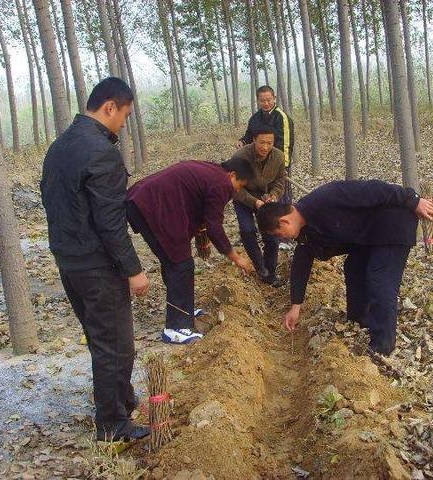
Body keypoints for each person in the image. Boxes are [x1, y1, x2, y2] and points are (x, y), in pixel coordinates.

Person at [41, 77, 151, 442]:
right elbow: (110, 222)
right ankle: (112, 424)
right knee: (116, 344)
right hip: (96, 264)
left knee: (102, 338)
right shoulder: (101, 151)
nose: (124, 122)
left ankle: (123, 399)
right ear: (109, 107)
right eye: (125, 114)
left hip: (69, 260)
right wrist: (134, 270)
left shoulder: (60, 146)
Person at [256, 180, 433, 356]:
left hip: (391, 224)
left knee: (379, 280)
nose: (282, 238)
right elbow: (302, 261)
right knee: (354, 267)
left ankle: (383, 346)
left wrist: (413, 200)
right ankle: (358, 321)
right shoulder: (305, 229)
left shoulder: (325, 198)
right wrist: (296, 306)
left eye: (279, 234)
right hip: (367, 237)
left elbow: (374, 189)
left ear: (284, 221)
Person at [126, 159, 254, 345]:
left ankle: (183, 309)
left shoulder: (213, 172)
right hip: (152, 207)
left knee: (176, 261)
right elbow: (214, 226)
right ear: (232, 174)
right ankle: (175, 327)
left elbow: (201, 211)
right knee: (180, 264)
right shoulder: (221, 183)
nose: (236, 191)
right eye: (239, 186)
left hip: (146, 201)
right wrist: (236, 257)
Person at [231, 125, 286, 287]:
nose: (265, 147)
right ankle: (260, 268)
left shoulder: (278, 156)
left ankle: (270, 273)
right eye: (262, 142)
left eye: (269, 143)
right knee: (248, 230)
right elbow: (234, 188)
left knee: (272, 235)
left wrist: (274, 195)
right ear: (254, 140)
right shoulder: (240, 157)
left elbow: (280, 180)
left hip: (265, 197)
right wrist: (254, 202)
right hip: (243, 197)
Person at [236, 85, 295, 204]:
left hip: (277, 164)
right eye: (262, 101)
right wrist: (242, 141)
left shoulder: (281, 118)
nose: (266, 103)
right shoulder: (255, 118)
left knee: (280, 198)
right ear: (258, 101)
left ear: (274, 98)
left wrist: (284, 167)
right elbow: (249, 135)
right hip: (257, 163)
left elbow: (285, 145)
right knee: (261, 197)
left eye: (268, 100)